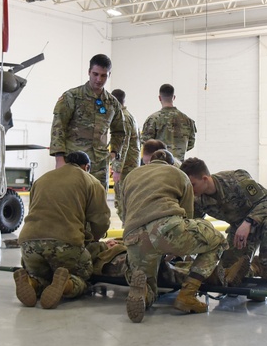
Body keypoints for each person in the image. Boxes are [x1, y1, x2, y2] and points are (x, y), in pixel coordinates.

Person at [117, 149, 227, 323]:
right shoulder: (179, 174)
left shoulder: (131, 176)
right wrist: (176, 248)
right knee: (217, 240)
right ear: (170, 163)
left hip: (134, 236)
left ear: (149, 162)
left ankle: (145, 293)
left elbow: (124, 213)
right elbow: (188, 216)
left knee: (153, 283)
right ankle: (187, 295)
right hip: (166, 229)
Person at [14, 151, 111, 309]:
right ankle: (66, 285)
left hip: (29, 244)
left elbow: (33, 209)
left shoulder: (41, 180)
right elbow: (101, 220)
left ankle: (32, 283)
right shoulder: (91, 181)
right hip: (65, 244)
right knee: (84, 275)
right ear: (86, 167)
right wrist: (94, 239)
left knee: (43, 275)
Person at [180, 157, 267, 283]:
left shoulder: (236, 179)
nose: (190, 190)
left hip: (264, 218)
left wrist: (249, 222)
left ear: (205, 179)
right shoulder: (198, 199)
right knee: (227, 275)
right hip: (238, 229)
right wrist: (182, 250)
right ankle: (256, 267)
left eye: (193, 185)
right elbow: (192, 224)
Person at [49, 54, 127, 189]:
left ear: (109, 75)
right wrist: (59, 159)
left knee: (98, 203)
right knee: (71, 201)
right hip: (73, 162)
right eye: (95, 74)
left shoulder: (112, 103)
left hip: (100, 166)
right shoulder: (72, 97)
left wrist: (114, 153)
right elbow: (58, 127)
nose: (99, 79)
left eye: (104, 75)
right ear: (89, 72)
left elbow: (119, 130)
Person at [140, 84, 197, 161]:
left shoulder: (153, 119)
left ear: (159, 98)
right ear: (174, 97)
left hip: (159, 164)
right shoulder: (188, 120)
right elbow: (191, 144)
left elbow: (147, 144)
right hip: (179, 165)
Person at [110, 88, 140, 223]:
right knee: (123, 204)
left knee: (124, 204)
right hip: (127, 167)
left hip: (126, 169)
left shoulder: (124, 118)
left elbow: (123, 144)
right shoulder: (124, 116)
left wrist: (117, 169)